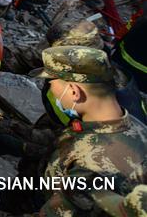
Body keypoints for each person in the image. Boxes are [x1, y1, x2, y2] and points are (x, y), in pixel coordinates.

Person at [32, 45, 147, 216]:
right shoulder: (137, 126)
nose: (51, 91)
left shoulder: (89, 163)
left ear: (74, 92)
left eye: (52, 84)